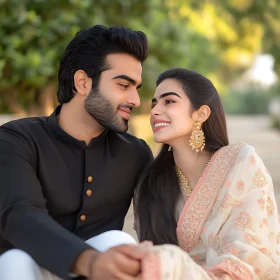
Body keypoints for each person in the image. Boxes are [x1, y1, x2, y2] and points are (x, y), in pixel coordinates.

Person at [0, 25, 153, 280]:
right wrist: (90, 262)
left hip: (100, 271)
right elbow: (20, 217)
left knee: (118, 241)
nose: (136, 100)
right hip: (21, 268)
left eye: (136, 87)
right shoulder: (16, 139)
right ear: (83, 82)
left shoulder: (136, 154)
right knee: (15, 260)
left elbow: (166, 217)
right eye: (124, 85)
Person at [134, 68, 280, 279]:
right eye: (154, 103)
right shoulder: (150, 183)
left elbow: (251, 251)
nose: (155, 111)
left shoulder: (241, 162)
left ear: (201, 113)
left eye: (169, 102)